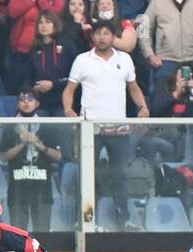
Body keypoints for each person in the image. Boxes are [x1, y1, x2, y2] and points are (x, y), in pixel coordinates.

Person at [63, 20, 150, 231]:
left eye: (106, 33)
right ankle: (83, 220)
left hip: (118, 129)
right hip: (90, 129)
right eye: (98, 33)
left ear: (114, 36)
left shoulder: (125, 59)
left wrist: (143, 107)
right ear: (92, 36)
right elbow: (69, 90)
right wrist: (68, 109)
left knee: (119, 175)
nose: (102, 37)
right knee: (86, 176)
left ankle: (124, 219)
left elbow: (134, 88)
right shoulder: (82, 60)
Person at [0, 87, 62, 230]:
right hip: (17, 189)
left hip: (42, 190)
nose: (26, 103)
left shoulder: (47, 126)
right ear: (17, 104)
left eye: (30, 99)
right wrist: (22, 143)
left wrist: (38, 145)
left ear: (37, 103)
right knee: (17, 235)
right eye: (22, 100)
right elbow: (3, 157)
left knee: (42, 234)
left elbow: (58, 156)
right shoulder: (10, 126)